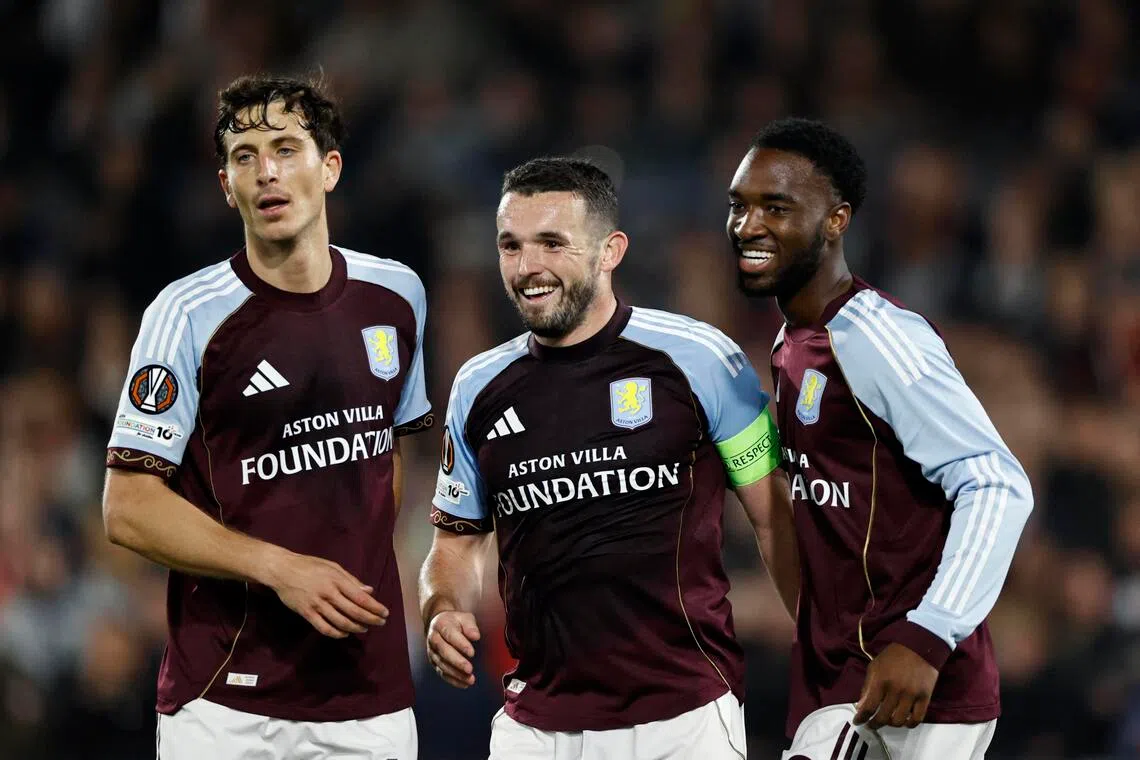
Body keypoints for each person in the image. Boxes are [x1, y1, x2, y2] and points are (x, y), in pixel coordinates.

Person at [417, 156, 799, 759]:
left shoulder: (704, 363)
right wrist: (441, 608)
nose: (528, 267)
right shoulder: (477, 388)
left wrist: (830, 648)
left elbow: (776, 518)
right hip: (536, 727)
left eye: (551, 243)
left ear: (610, 251)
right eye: (510, 246)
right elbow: (455, 545)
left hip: (683, 719)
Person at [102, 75, 432, 759]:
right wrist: (283, 568)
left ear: (330, 167)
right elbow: (127, 506)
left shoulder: (397, 297)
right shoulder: (186, 315)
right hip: (227, 702)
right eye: (245, 156)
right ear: (227, 186)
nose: (267, 171)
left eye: (286, 147)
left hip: (367, 699)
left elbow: (386, 460)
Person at [727, 117, 1035, 759]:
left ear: (836, 220)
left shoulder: (876, 337)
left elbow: (995, 481)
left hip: (914, 688)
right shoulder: (791, 347)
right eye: (740, 205)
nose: (748, 225)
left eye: (775, 207)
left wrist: (929, 635)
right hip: (849, 684)